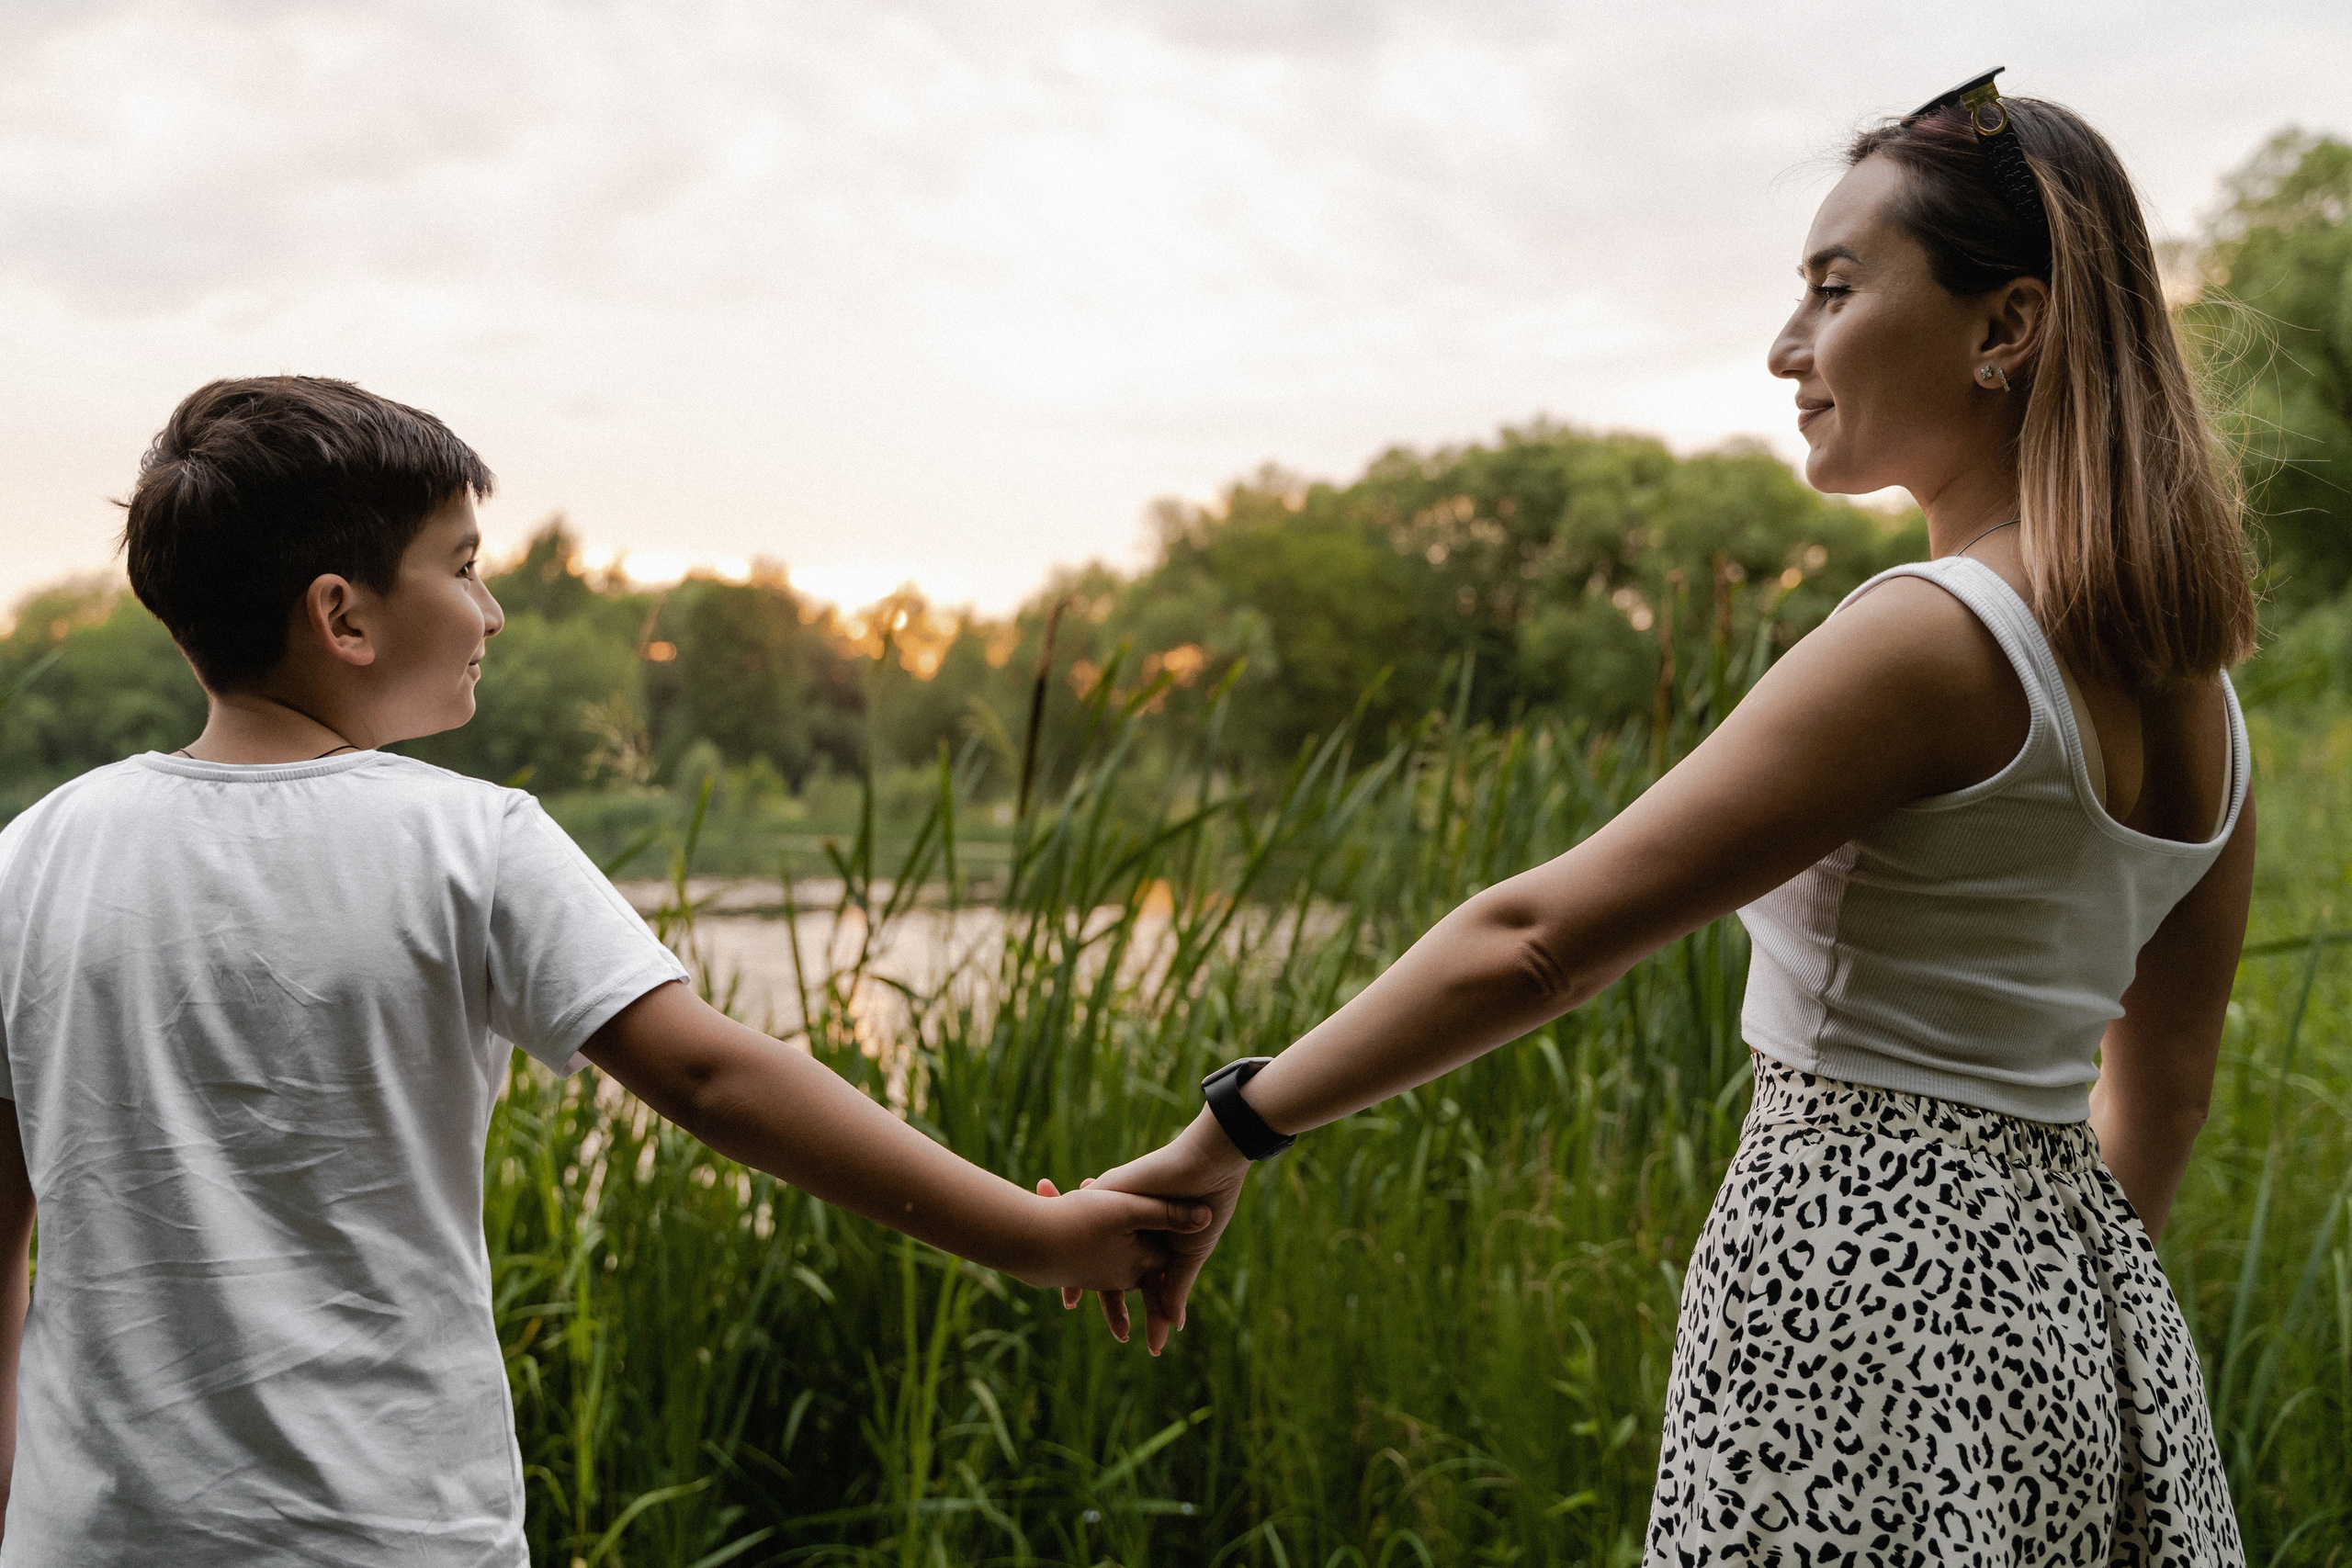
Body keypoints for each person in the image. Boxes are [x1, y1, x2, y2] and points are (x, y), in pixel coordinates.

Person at [1088, 73, 2256, 1562]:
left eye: (1834, 292)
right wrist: (2024, 1298)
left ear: (2005, 327)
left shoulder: (1934, 637)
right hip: (2087, 1314)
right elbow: (2164, 1093)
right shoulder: (2202, 695)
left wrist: (1231, 1129)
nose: (1788, 349)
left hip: (1851, 1288)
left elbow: (1537, 943)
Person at [0, 376, 1208, 1564]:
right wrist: (1038, 1238)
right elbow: (710, 1076)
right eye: (465, 565)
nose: (494, 610)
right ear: (345, 617)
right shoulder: (469, 841)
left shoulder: (33, 855)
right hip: (385, 1535)